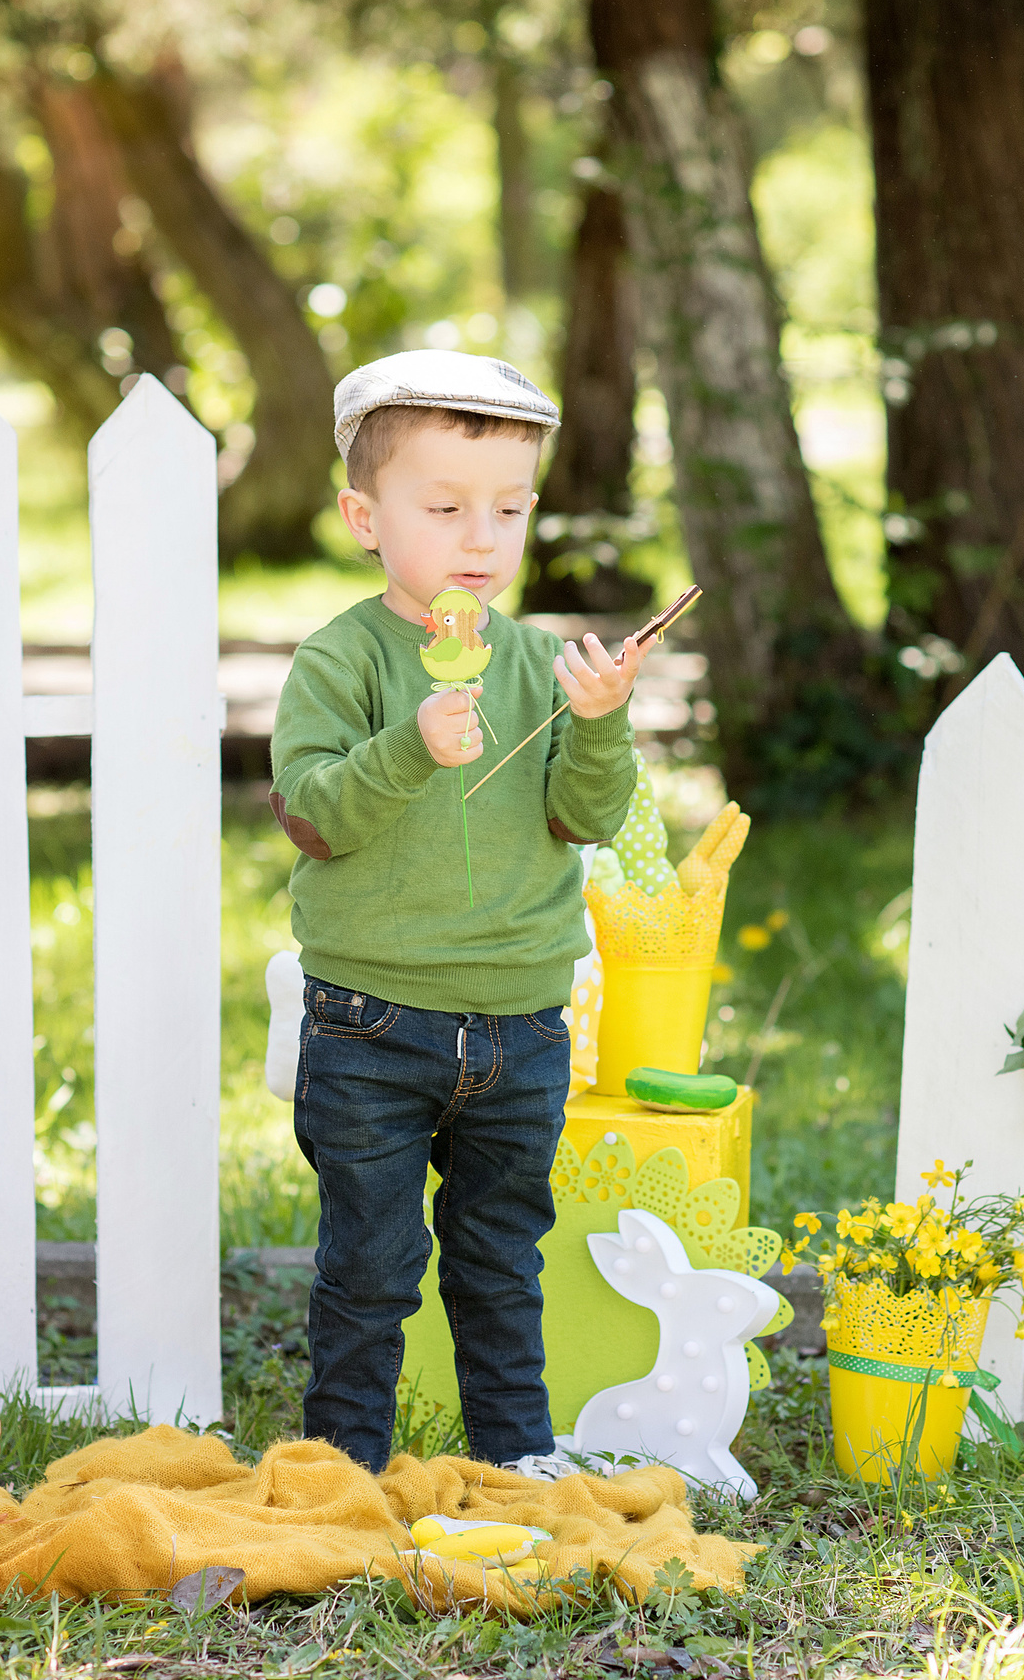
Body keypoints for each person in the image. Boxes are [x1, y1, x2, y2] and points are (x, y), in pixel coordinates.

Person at [270, 349, 654, 1474]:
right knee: (371, 1265)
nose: (481, 539)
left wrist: (600, 720)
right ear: (366, 517)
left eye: (509, 510)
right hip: (372, 1021)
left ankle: (515, 1454)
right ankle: (344, 1463)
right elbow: (314, 813)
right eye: (445, 509)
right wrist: (410, 746)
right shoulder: (342, 659)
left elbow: (584, 816)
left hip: (523, 1022)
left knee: (500, 1259)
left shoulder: (537, 661)